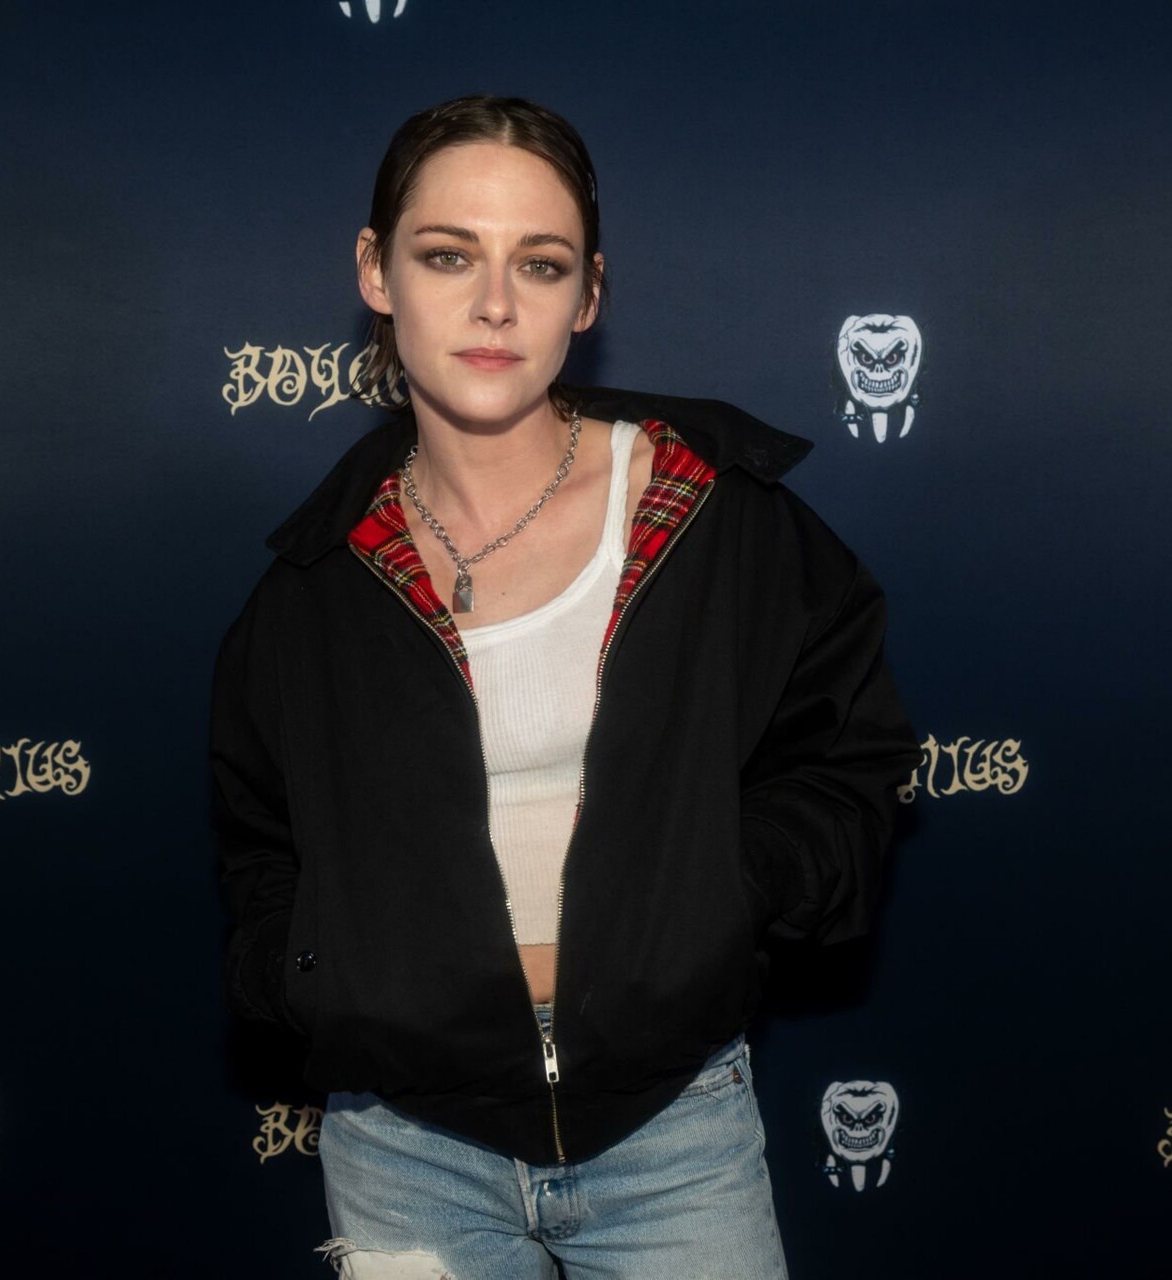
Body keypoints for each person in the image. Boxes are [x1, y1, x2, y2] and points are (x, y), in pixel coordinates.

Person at [210, 94, 921, 1279]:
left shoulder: (715, 520)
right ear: (376, 271)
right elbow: (260, 836)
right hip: (405, 1142)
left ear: (589, 296)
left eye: (539, 264)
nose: (495, 303)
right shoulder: (314, 584)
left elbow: (847, 759)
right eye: (449, 255)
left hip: (673, 1126)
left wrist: (725, 890)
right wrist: (317, 971)